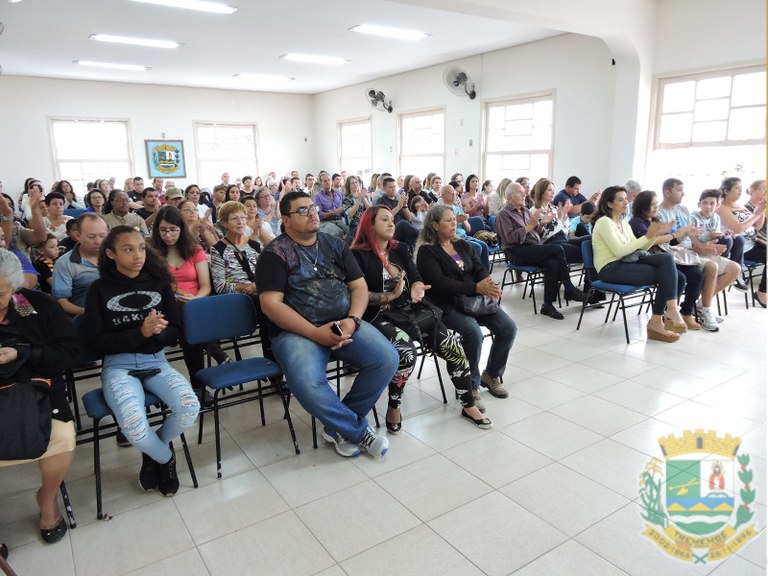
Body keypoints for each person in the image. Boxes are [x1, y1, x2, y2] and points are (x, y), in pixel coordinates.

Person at [257, 191, 398, 458]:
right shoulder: (274, 254)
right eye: (302, 210)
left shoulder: (334, 244)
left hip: (343, 322)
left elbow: (359, 287)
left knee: (387, 359)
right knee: (308, 384)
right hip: (296, 332)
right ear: (286, 220)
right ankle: (358, 432)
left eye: (312, 207)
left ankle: (337, 427)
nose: (312, 213)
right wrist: (314, 333)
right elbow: (271, 305)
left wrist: (353, 320)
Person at [83, 226, 200, 496]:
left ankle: (152, 450)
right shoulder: (99, 289)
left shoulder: (159, 283)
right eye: (128, 249)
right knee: (134, 427)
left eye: (141, 248)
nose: (138, 255)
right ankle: (164, 458)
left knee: (189, 407)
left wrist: (156, 333)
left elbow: (175, 332)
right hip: (118, 365)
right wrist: (140, 333)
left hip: (156, 361)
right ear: (111, 253)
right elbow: (95, 342)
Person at [351, 206, 489, 431]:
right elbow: (358, 295)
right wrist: (391, 296)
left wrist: (416, 286)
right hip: (377, 314)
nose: (391, 223)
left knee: (453, 346)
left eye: (392, 219)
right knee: (406, 352)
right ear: (370, 226)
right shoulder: (358, 255)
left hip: (409, 311)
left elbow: (415, 275)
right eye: (384, 220)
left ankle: (468, 404)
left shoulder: (400, 249)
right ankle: (394, 405)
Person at [0, 250, 79, 548]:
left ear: (15, 287)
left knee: (61, 437)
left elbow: (69, 352)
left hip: (36, 389)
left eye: (1, 293)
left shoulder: (27, 306)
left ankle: (47, 497)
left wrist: (24, 353)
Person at [416, 204, 516, 404]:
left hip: (474, 300)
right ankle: (471, 386)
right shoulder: (427, 252)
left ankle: (491, 374)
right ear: (435, 225)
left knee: (508, 328)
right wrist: (476, 288)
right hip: (447, 304)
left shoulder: (462, 244)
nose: (454, 224)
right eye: (448, 220)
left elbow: (479, 268)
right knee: (473, 333)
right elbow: (441, 283)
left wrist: (489, 285)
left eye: (454, 219)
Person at [150, 205, 229, 396]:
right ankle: (217, 354)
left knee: (188, 318)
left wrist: (194, 300)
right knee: (183, 314)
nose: (168, 235)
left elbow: (205, 286)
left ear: (181, 229)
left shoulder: (194, 250)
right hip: (167, 306)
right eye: (163, 230)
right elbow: (154, 287)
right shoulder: (153, 253)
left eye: (173, 230)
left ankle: (198, 386)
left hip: (197, 303)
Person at [591, 186, 684, 342]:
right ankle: (660, 320)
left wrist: (653, 235)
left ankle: (666, 314)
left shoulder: (624, 223)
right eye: (620, 200)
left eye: (626, 199)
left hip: (626, 262)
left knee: (666, 259)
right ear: (609, 204)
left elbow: (640, 248)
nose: (625, 203)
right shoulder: (604, 222)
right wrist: (647, 236)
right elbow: (619, 252)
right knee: (665, 275)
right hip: (610, 268)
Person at [657, 178, 742, 328]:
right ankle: (702, 311)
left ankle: (700, 306)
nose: (683, 193)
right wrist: (699, 247)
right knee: (711, 267)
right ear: (667, 193)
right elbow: (665, 243)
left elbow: (690, 234)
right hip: (677, 253)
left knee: (735, 268)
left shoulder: (683, 209)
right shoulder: (659, 213)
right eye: (680, 190)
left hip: (693, 251)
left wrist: (704, 246)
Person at [495, 182, 587, 319]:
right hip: (516, 252)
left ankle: (547, 305)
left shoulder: (525, 211)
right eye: (520, 192)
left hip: (532, 247)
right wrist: (531, 225)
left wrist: (542, 223)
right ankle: (569, 287)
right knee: (557, 249)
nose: (524, 194)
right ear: (510, 197)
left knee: (552, 263)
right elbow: (510, 239)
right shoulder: (503, 214)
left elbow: (537, 233)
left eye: (524, 192)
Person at [629, 191, 704, 331]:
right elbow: (651, 241)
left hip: (665, 257)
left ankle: (686, 312)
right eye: (652, 204)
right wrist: (675, 234)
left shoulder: (655, 220)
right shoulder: (636, 222)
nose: (656, 207)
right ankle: (664, 315)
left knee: (697, 275)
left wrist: (684, 234)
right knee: (679, 278)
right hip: (647, 259)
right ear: (643, 206)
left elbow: (669, 242)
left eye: (656, 204)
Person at [52, 213, 107, 316]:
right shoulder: (64, 263)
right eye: (91, 236)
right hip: (86, 318)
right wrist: (90, 313)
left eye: (102, 236)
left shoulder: (116, 256)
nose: (98, 241)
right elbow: (61, 302)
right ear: (78, 236)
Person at [375, 176, 419, 249]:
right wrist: (399, 206)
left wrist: (404, 205)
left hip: (403, 229)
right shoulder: (381, 201)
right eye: (390, 187)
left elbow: (409, 218)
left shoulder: (398, 200)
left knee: (410, 238)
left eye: (395, 187)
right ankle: (423, 235)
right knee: (403, 223)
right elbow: (385, 217)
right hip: (390, 229)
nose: (393, 189)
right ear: (384, 189)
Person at [745, 180, 767, 307]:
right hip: (748, 246)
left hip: (759, 245)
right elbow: (757, 231)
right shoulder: (745, 209)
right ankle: (762, 292)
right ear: (752, 190)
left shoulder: (762, 209)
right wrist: (760, 211)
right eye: (763, 188)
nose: (765, 191)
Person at [314, 173, 348, 239]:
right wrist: (334, 212)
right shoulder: (318, 196)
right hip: (326, 222)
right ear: (321, 183)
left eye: (328, 180)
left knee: (350, 231)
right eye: (325, 181)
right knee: (338, 232)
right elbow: (319, 215)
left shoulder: (338, 192)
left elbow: (344, 205)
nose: (328, 182)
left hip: (339, 219)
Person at [342, 175, 371, 242]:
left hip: (367, 223)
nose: (355, 184)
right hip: (354, 226)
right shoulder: (347, 199)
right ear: (348, 186)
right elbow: (350, 214)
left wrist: (364, 198)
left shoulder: (366, 196)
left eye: (356, 182)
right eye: (352, 183)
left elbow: (371, 210)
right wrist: (358, 200)